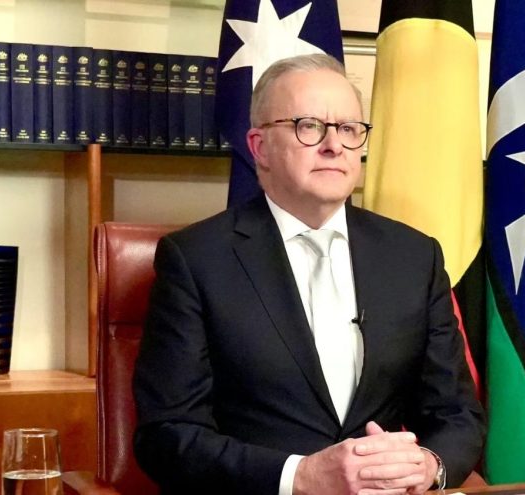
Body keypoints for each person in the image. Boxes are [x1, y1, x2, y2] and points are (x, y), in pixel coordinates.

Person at [132, 54, 484, 495]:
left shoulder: (413, 256)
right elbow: (167, 435)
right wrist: (300, 477)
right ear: (260, 147)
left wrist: (428, 466)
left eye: (349, 129)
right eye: (309, 126)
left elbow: (456, 415)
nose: (334, 145)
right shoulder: (196, 259)